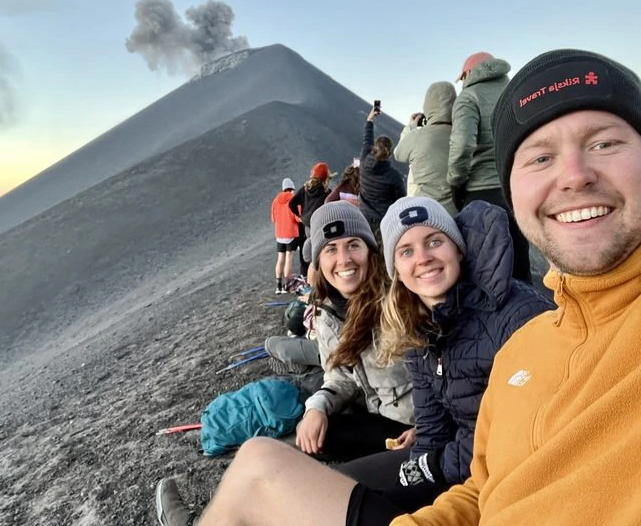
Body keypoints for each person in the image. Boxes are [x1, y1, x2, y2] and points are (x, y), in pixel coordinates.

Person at [388, 48, 641, 525]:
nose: (573, 176)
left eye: (605, 143)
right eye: (541, 157)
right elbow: (484, 490)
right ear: (513, 192)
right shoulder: (522, 351)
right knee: (262, 469)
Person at [176, 197, 551, 526]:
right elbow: (354, 380)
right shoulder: (411, 314)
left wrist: (424, 461)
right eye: (406, 251)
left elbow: (511, 437)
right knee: (297, 458)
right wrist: (321, 407)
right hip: (441, 451)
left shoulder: (419, 309)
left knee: (280, 471)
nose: (422, 259)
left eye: (435, 241)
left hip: (472, 468)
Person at [294, 201, 414, 462]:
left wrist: (428, 426)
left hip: (417, 425)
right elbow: (339, 377)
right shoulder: (327, 312)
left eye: (353, 245)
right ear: (318, 261)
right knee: (313, 437)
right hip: (383, 422)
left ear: (369, 250)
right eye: (330, 249)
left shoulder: (401, 297)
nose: (344, 259)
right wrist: (317, 409)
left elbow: (441, 373)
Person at [449, 51, 531, 282]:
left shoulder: (468, 97)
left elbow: (463, 144)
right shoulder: (516, 91)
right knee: (520, 264)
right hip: (516, 186)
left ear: (468, 73)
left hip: (481, 191)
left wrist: (456, 182)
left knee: (485, 269)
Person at [394, 82, 458, 216]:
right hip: (456, 211)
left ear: (428, 106)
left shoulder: (417, 136)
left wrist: (410, 127)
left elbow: (398, 154)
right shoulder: (462, 134)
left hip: (425, 212)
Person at [360, 108, 406, 244]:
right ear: (389, 153)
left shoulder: (363, 160)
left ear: (374, 148)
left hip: (363, 218)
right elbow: (401, 201)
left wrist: (370, 120)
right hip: (384, 222)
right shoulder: (394, 176)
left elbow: (366, 139)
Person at [289, 162, 332, 277]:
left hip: (307, 225)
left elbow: (291, 203)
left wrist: (299, 216)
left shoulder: (304, 189)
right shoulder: (327, 192)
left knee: (310, 252)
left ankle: (308, 277)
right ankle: (321, 277)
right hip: (319, 224)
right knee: (320, 251)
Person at [270, 177, 300, 293]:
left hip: (279, 234)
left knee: (280, 259)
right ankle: (287, 286)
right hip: (291, 233)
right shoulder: (293, 199)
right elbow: (297, 217)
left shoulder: (275, 201)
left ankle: (278, 287)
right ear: (292, 188)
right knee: (289, 258)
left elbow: (273, 218)